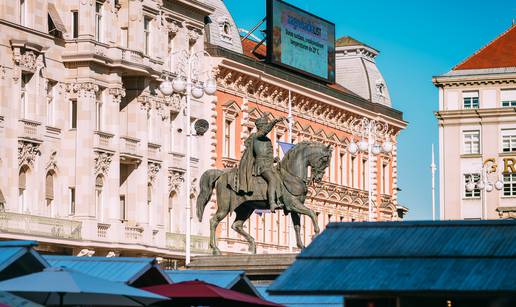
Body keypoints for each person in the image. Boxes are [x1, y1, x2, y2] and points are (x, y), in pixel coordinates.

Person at [236, 114, 285, 212]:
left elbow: (266, 154)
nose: (265, 128)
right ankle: (272, 203)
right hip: (261, 166)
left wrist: (274, 159)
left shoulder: (267, 140)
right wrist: (274, 121)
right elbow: (264, 133)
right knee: (272, 179)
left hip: (269, 165)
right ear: (260, 127)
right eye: (264, 126)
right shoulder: (256, 136)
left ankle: (280, 200)